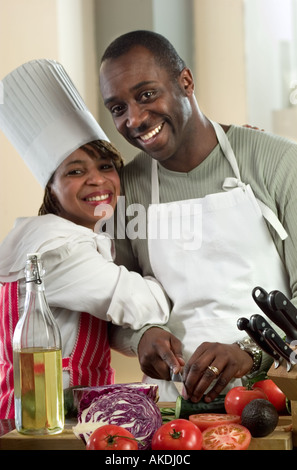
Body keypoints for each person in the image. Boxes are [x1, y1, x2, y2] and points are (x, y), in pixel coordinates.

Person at [99, 30, 297, 402]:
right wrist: (141, 336)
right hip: (174, 410)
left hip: (277, 396)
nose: (135, 119)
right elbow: (113, 309)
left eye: (146, 94)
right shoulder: (125, 190)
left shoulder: (278, 161)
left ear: (185, 82)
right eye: (117, 108)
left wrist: (251, 351)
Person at [0, 59, 170, 419]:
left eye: (106, 167)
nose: (97, 181)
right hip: (44, 421)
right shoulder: (56, 251)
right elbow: (141, 305)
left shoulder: (52, 235)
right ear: (51, 186)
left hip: (56, 415)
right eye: (76, 172)